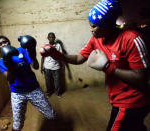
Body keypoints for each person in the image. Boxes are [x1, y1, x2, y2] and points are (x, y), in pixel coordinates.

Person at [40, 0, 150, 131]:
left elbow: (141, 78)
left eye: (94, 26)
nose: (91, 29)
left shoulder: (131, 39)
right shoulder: (96, 39)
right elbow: (78, 58)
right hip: (116, 97)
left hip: (133, 101)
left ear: (108, 24)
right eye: (90, 25)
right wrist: (57, 54)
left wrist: (108, 67)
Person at [0, 35, 55, 131]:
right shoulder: (1, 62)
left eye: (5, 42)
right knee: (17, 124)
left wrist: (32, 51)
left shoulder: (21, 51)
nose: (3, 44)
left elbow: (35, 66)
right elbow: (10, 79)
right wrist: (9, 64)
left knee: (51, 115)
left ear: (9, 42)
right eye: (0, 44)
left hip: (33, 89)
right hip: (17, 93)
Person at [40, 32, 63, 98]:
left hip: (56, 66)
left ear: (54, 38)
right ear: (48, 38)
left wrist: (62, 66)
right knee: (48, 81)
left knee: (57, 82)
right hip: (47, 66)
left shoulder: (58, 45)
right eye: (50, 37)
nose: (51, 38)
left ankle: (58, 93)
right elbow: (42, 57)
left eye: (53, 37)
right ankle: (49, 93)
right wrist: (41, 67)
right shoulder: (45, 46)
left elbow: (61, 55)